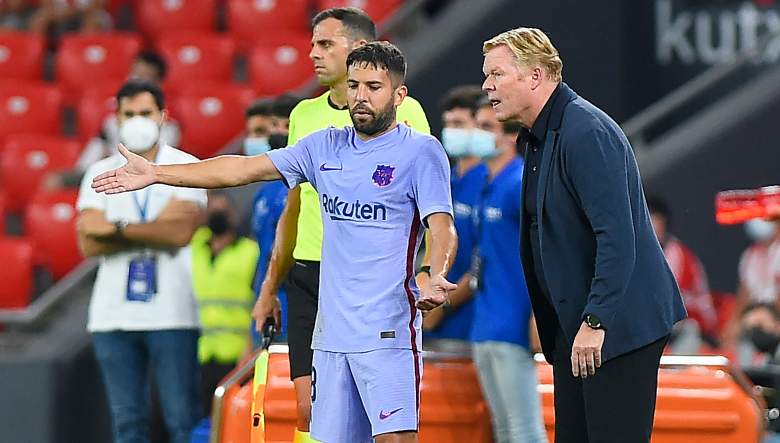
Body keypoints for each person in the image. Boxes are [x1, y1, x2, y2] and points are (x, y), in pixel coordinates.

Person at [92, 41, 455, 443]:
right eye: (354, 86)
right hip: (330, 335)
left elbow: (441, 227)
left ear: (399, 95)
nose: (361, 97)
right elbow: (242, 169)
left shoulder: (421, 152)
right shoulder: (323, 146)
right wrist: (161, 173)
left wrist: (431, 272)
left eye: (374, 87)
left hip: (387, 332)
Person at [481, 27, 686, 442]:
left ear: (535, 76)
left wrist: (595, 320)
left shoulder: (586, 132)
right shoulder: (541, 137)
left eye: (497, 74)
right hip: (580, 330)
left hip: (616, 329)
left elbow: (617, 237)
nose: (487, 86)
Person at [251, 8, 430, 441]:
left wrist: (424, 272)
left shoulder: (406, 116)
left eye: (325, 44)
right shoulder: (304, 116)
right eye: (313, 43)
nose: (312, 54)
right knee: (307, 413)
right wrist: (270, 287)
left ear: (357, 49)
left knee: (379, 422)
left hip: (372, 285)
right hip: (311, 276)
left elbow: (427, 208)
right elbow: (292, 209)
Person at [76, 80, 205, 443]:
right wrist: (153, 227)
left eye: (145, 113)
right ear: (116, 119)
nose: (137, 120)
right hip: (111, 317)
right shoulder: (97, 171)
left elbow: (180, 233)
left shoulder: (186, 166)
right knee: (128, 424)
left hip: (174, 314)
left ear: (163, 116)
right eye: (129, 114)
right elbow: (88, 241)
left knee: (183, 420)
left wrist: (114, 227)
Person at [469, 98, 546, 443]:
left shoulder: (518, 184)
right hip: (486, 322)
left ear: (508, 137)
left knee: (524, 429)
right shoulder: (490, 185)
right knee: (504, 429)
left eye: (487, 127)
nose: (477, 135)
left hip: (512, 323)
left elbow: (544, 252)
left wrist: (538, 315)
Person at [45, 51, 181, 190]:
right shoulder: (111, 121)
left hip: (150, 178)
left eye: (144, 77)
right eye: (134, 74)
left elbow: (161, 163)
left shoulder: (168, 124)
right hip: (111, 174)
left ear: (158, 83)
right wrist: (82, 172)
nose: (136, 81)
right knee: (55, 180)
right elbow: (91, 156)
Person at [422, 85, 486, 343]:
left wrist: (445, 304)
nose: (451, 131)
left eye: (459, 123)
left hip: (468, 319)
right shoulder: (444, 179)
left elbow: (484, 259)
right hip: (432, 317)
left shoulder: (487, 181)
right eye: (447, 124)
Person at [190, 191, 259, 417]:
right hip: (204, 352)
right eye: (212, 211)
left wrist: (251, 347)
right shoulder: (197, 247)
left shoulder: (250, 252)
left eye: (222, 211)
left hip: (239, 353)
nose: (216, 215)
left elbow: (258, 301)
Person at [249, 94, 303, 344]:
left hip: (295, 300)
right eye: (274, 125)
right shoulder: (265, 188)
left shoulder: (304, 185)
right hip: (266, 297)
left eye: (286, 126)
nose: (277, 132)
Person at [647, 196, 717, 353]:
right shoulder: (642, 253)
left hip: (694, 321)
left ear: (664, 224)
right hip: (663, 322)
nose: (650, 226)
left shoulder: (678, 255)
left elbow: (667, 301)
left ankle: (676, 372)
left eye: (654, 220)